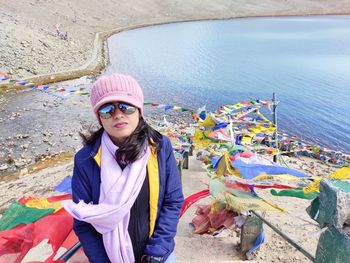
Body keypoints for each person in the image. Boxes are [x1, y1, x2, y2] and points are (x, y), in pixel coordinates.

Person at [63, 73, 184, 263]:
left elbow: (172, 201)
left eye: (126, 106)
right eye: (107, 109)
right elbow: (83, 220)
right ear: (99, 117)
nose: (118, 114)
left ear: (139, 109)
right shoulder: (86, 160)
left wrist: (157, 251)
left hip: (159, 256)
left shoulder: (159, 147)